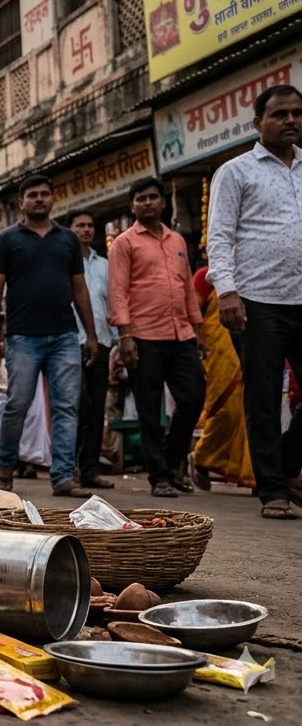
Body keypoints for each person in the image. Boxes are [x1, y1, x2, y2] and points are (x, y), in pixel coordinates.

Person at [205, 83, 302, 519]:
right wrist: (226, 290)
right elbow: (220, 236)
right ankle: (273, 490)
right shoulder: (236, 171)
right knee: (263, 397)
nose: (291, 121)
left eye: (297, 113)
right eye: (280, 114)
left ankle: (282, 463)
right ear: (257, 123)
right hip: (256, 299)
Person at [0, 175, 98, 497]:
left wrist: (90, 334)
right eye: (32, 195)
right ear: (21, 203)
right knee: (16, 404)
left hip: (64, 335)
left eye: (45, 194)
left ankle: (62, 477)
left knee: (66, 407)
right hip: (23, 338)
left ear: (53, 199)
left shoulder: (68, 240)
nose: (38, 199)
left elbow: (79, 288)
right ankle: (5, 467)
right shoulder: (6, 240)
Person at [108, 179, 204, 498]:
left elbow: (187, 287)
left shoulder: (177, 239)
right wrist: (125, 335)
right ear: (132, 205)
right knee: (149, 409)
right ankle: (159, 477)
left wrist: (197, 328)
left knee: (192, 398)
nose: (147, 203)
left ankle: (172, 461)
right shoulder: (124, 242)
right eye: (140, 199)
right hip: (142, 336)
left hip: (181, 334)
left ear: (163, 202)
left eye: (153, 197)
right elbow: (118, 290)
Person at [192, 248, 253, 490]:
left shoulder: (251, 275)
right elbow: (195, 315)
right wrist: (196, 344)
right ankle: (202, 457)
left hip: (249, 349)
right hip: (216, 354)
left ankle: (255, 473)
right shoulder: (205, 277)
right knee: (223, 411)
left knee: (251, 410)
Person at [68, 210, 117, 489]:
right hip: (70, 342)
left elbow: (112, 302)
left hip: (101, 343)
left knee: (97, 407)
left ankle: (89, 469)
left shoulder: (104, 265)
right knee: (75, 405)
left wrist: (117, 341)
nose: (86, 230)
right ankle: (68, 466)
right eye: (80, 225)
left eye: (90, 225)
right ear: (70, 230)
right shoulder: (63, 261)